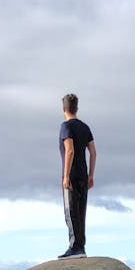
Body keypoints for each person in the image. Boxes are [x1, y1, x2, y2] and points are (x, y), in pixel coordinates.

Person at [58, 93, 96, 258]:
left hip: (72, 174)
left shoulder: (65, 127)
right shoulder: (85, 127)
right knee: (81, 211)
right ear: (76, 108)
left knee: (71, 211)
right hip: (83, 174)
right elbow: (93, 153)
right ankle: (81, 246)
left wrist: (65, 176)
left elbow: (70, 150)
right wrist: (91, 175)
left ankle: (75, 247)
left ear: (63, 109)